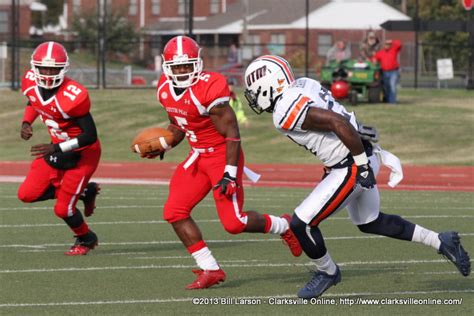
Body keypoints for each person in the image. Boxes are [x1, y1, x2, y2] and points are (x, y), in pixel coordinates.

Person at [244, 55, 471, 299]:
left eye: (255, 92)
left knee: (302, 223)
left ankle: (327, 272)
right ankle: (441, 241)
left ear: (268, 85)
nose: (255, 98)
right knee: (369, 221)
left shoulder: (283, 110)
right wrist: (368, 150)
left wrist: (362, 165)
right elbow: (344, 118)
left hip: (352, 162)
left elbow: (336, 121)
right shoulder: (304, 84)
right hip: (359, 154)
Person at [145, 36, 302, 289]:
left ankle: (284, 225)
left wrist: (229, 173)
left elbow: (232, 133)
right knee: (174, 212)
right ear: (167, 67)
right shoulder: (164, 88)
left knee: (234, 223)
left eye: (188, 65)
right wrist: (164, 144)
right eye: (177, 67)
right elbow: (178, 125)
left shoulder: (210, 87)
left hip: (222, 155)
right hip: (198, 155)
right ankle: (210, 269)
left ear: (198, 63)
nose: (183, 71)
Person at [18, 41, 101, 256]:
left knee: (63, 209)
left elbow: (90, 136)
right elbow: (34, 101)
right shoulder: (29, 81)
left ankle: (86, 238)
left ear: (63, 68)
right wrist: (27, 122)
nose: (47, 73)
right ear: (34, 67)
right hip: (55, 149)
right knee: (26, 194)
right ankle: (83, 191)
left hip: (82, 153)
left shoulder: (74, 96)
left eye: (53, 69)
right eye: (43, 68)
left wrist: (56, 147)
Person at [374, 39, 402, 104]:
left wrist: (392, 41)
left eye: (388, 44)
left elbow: (399, 44)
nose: (387, 46)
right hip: (384, 72)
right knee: (386, 87)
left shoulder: (394, 50)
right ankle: (387, 99)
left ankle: (392, 102)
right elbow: (375, 58)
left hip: (393, 72)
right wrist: (374, 60)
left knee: (392, 86)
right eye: (386, 44)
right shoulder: (381, 52)